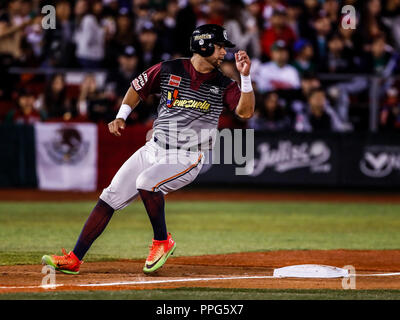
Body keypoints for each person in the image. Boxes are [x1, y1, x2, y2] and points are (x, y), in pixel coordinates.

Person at [41, 24, 255, 275]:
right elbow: (137, 87)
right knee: (109, 197)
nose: (224, 53)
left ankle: (162, 241)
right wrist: (121, 115)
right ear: (204, 45)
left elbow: (245, 112)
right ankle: (75, 258)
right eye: (220, 47)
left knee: (146, 182)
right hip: (153, 147)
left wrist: (246, 77)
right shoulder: (170, 68)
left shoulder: (223, 83)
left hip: (186, 155)